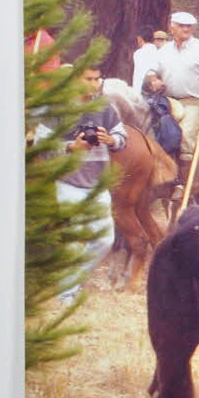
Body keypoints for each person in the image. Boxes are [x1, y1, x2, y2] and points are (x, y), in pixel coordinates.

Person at [56, 66, 128, 302]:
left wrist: (111, 139)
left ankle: (71, 284)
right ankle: (66, 293)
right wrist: (70, 147)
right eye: (88, 79)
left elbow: (121, 137)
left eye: (98, 79)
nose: (94, 83)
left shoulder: (105, 107)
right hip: (69, 182)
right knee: (76, 239)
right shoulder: (59, 108)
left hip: (97, 184)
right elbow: (43, 145)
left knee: (104, 239)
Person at [154, 11, 199, 169]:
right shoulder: (163, 50)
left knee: (185, 135)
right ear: (172, 27)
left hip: (194, 101)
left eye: (189, 26)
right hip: (168, 100)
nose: (186, 29)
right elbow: (152, 71)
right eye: (181, 26)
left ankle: (184, 182)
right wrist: (154, 80)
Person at [141, 72, 182, 157]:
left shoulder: (160, 99)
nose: (161, 81)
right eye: (156, 80)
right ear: (151, 86)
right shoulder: (151, 100)